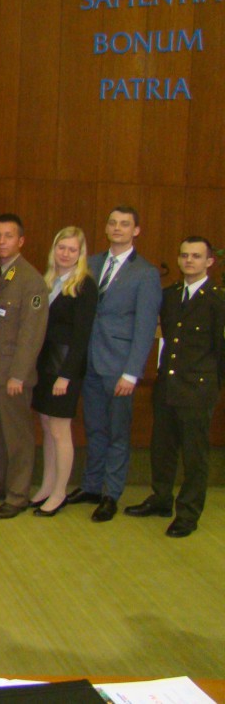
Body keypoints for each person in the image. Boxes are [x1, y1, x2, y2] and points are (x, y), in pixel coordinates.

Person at [123, 236, 225, 538]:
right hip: (168, 385)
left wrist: (213, 387)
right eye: (184, 255)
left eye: (196, 256)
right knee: (162, 448)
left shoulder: (217, 300)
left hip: (197, 389)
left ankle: (188, 513)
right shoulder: (170, 295)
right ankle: (161, 498)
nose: (189, 261)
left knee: (195, 455)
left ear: (209, 262)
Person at [68, 206, 161, 523]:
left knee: (118, 433)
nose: (117, 228)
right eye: (112, 223)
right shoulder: (91, 263)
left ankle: (111, 493)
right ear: (106, 228)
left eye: (125, 224)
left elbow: (145, 328)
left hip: (120, 367)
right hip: (91, 362)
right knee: (94, 429)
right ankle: (91, 486)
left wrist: (132, 373)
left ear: (136, 231)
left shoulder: (145, 273)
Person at [0, 215, 48, 519]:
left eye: (8, 236)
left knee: (17, 438)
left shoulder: (31, 280)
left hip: (11, 376)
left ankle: (17, 495)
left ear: (21, 241)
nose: (1, 241)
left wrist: (19, 374)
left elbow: (32, 335)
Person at [30, 227, 96, 516]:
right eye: (61, 248)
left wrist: (66, 376)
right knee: (46, 426)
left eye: (72, 249)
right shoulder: (49, 280)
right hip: (45, 365)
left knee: (59, 429)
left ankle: (60, 492)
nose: (66, 254)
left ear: (80, 254)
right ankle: (47, 485)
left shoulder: (84, 285)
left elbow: (82, 336)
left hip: (65, 368)